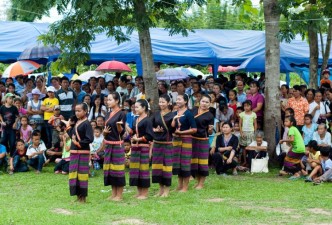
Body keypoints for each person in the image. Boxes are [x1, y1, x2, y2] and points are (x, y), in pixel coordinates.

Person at [67, 103, 94, 203]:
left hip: (82, 152)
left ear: (85, 111)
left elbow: (90, 138)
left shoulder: (87, 123)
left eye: (79, 111)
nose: (77, 113)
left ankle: (83, 198)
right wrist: (68, 127)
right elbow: (72, 136)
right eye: (76, 111)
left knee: (82, 174)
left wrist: (78, 143)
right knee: (74, 174)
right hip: (74, 152)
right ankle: (78, 196)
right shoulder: (77, 122)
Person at [103, 92, 126, 201]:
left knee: (118, 169)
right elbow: (105, 131)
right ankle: (113, 194)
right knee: (110, 169)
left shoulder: (122, 113)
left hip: (117, 144)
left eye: (111, 99)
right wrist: (104, 132)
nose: (108, 102)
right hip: (108, 144)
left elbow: (121, 132)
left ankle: (119, 195)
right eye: (108, 100)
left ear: (117, 101)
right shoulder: (107, 114)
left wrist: (118, 127)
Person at [171, 94, 197, 192]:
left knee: (185, 163)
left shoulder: (188, 113)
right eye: (177, 99)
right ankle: (179, 185)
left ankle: (185, 187)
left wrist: (181, 132)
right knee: (177, 163)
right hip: (176, 140)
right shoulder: (175, 113)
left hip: (186, 139)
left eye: (179, 99)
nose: (177, 101)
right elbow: (172, 127)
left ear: (185, 101)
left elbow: (194, 129)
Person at [130, 99, 154, 199]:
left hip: (143, 147)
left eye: (137, 107)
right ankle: (138, 191)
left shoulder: (148, 120)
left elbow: (150, 136)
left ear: (144, 108)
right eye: (135, 107)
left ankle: (144, 193)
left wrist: (138, 139)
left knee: (143, 169)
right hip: (135, 147)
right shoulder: (136, 119)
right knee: (136, 169)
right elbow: (133, 132)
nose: (135, 109)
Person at [151, 94, 174, 197]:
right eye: (160, 102)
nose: (161, 104)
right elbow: (150, 127)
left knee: (167, 167)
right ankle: (160, 189)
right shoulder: (156, 114)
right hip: (157, 144)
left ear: (168, 103)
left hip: (167, 144)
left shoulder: (173, 115)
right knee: (158, 167)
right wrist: (155, 130)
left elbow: (175, 130)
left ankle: (167, 191)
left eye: (163, 102)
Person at [191, 94, 214, 189]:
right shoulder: (193, 110)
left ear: (210, 104)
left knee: (202, 163)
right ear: (199, 101)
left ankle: (201, 184)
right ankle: (197, 181)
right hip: (192, 139)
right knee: (193, 162)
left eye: (207, 102)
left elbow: (210, 131)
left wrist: (210, 130)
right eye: (203, 101)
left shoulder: (210, 115)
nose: (204, 104)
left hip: (202, 140)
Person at [239, 100, 257, 167]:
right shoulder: (242, 114)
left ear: (251, 106)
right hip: (244, 132)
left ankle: (250, 161)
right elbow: (240, 124)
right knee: (244, 148)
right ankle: (245, 161)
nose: (246, 107)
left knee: (251, 147)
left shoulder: (253, 114)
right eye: (245, 106)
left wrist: (254, 132)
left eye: (248, 106)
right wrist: (241, 132)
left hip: (251, 132)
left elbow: (255, 124)